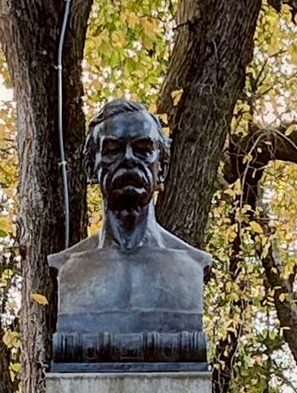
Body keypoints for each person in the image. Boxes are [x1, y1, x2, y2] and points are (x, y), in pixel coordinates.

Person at [49, 98, 211, 368]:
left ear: (163, 169)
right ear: (92, 168)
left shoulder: (192, 264)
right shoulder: (67, 266)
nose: (128, 159)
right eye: (113, 149)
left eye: (143, 150)